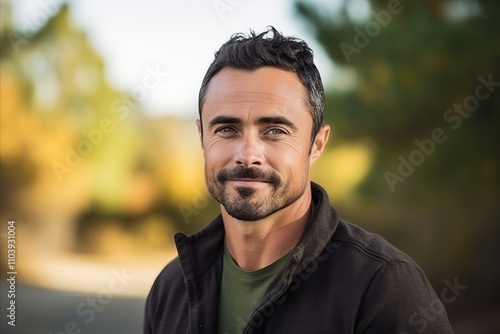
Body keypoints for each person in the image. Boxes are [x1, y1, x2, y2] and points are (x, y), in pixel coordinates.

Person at [144, 27, 453, 334]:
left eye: (275, 130)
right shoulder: (170, 290)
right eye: (226, 129)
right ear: (201, 137)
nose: (248, 154)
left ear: (316, 144)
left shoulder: (382, 288)